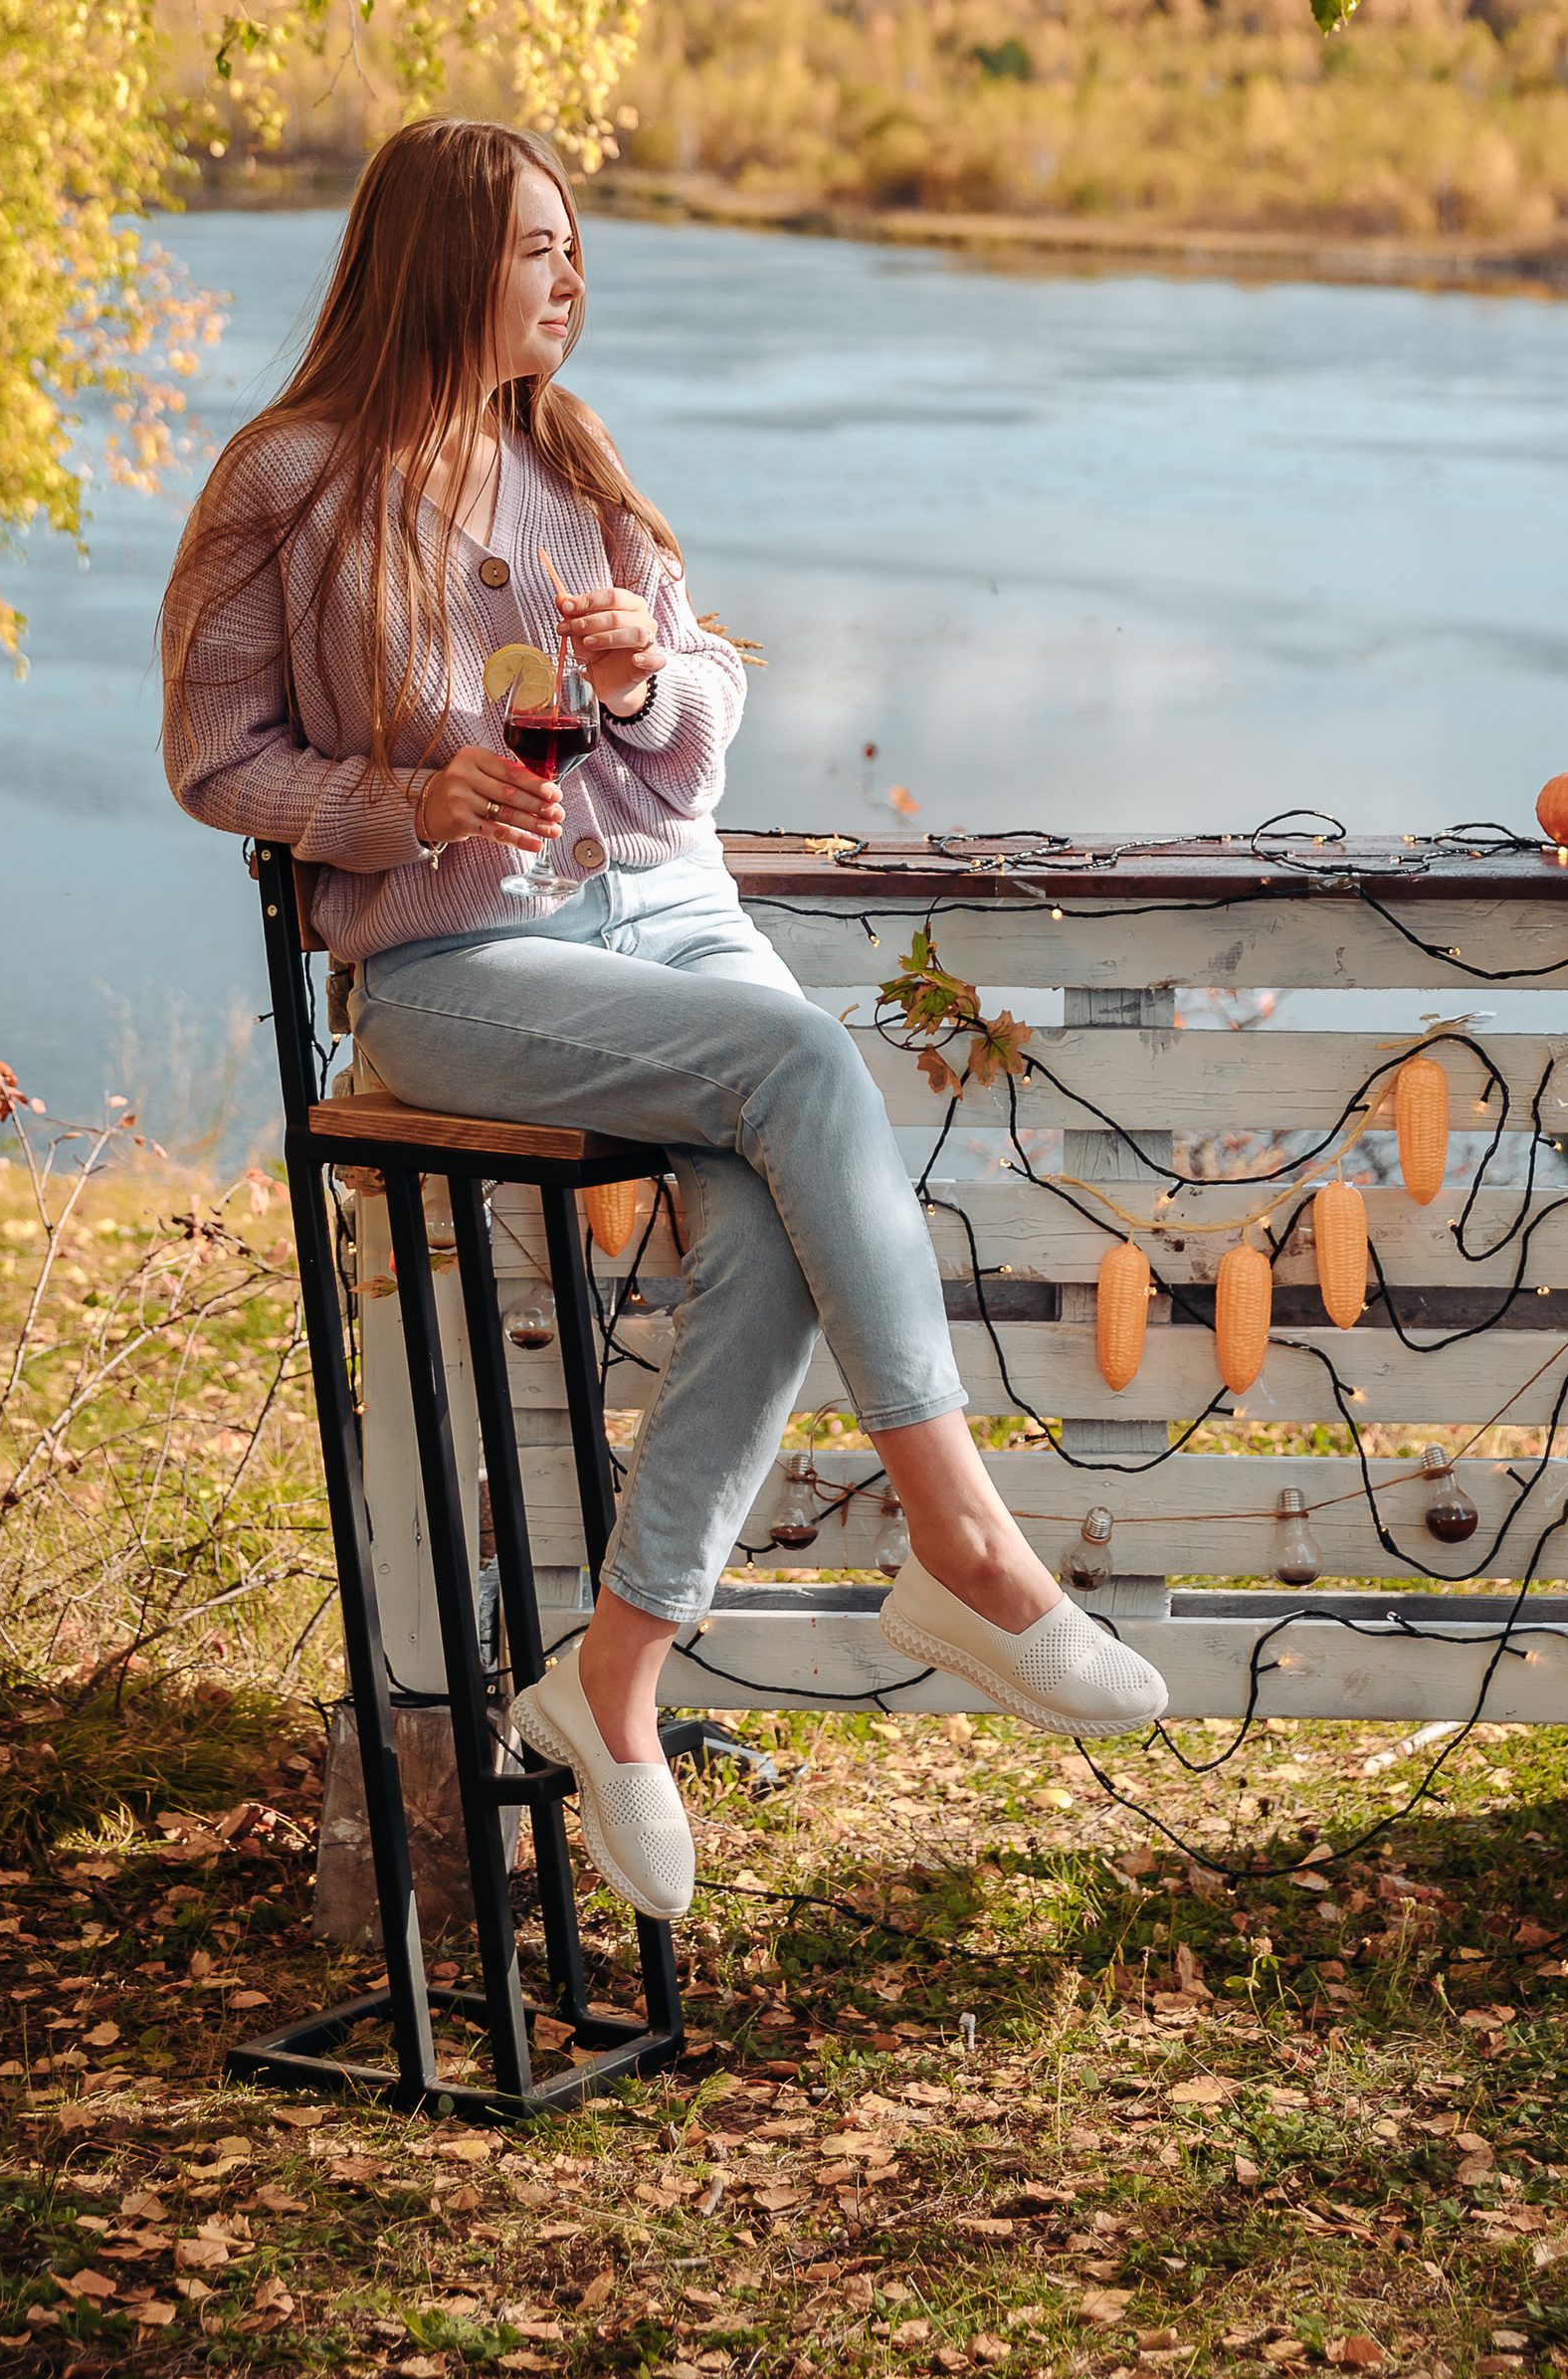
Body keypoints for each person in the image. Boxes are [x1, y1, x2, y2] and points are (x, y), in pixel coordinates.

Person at [160, 117, 1166, 1918]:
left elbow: (703, 712)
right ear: (442, 257)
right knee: (804, 1066)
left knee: (776, 1230)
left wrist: (645, 677)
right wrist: (403, 800)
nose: (571, 275)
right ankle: (970, 1547)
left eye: (575, 242)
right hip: (463, 973)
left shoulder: (580, 468)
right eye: (538, 243)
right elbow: (214, 756)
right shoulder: (293, 484)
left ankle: (612, 1686)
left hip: (674, 916)